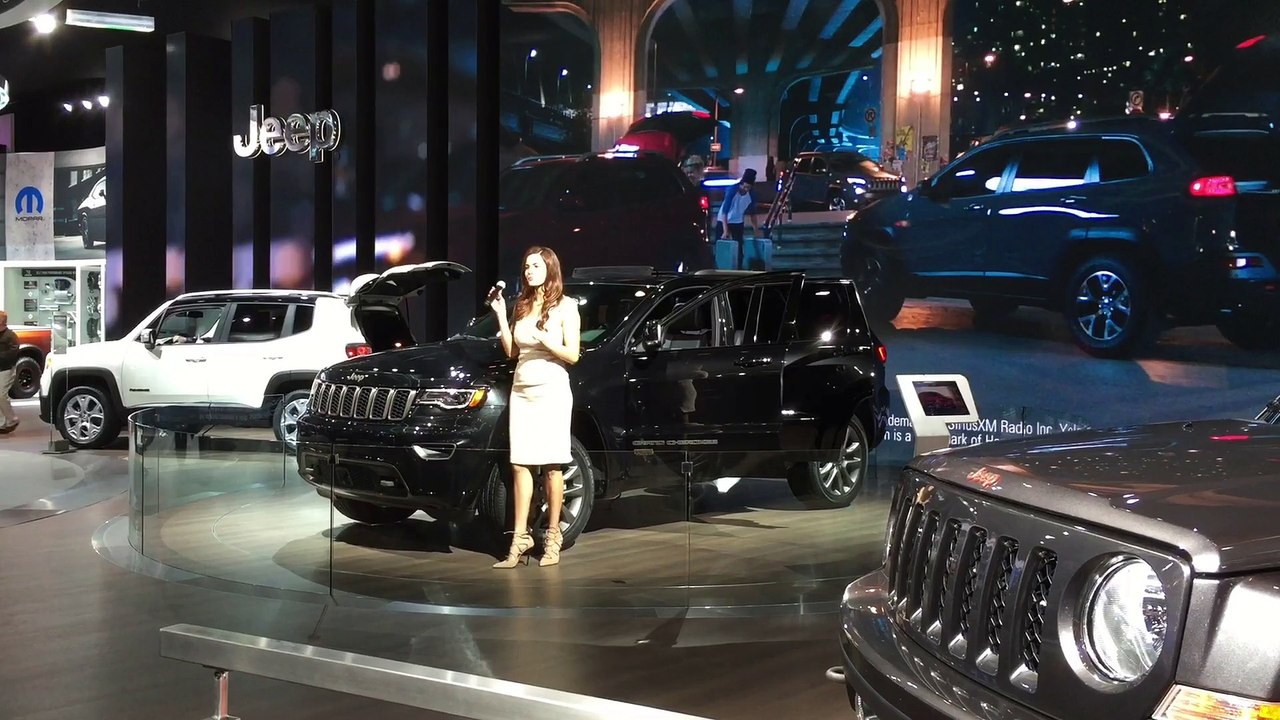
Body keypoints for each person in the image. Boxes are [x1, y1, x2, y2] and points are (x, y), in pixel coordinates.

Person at [489, 246, 581, 568]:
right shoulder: (523, 305)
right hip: (522, 389)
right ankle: (520, 537)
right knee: (520, 464)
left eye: (535, 266)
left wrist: (545, 341)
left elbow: (572, 355)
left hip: (552, 390)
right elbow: (512, 351)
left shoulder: (566, 307)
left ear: (550, 269)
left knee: (553, 466)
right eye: (526, 266)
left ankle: (552, 537)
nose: (529, 271)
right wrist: (501, 314)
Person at [717, 168, 759, 269]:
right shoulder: (732, 190)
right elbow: (725, 212)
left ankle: (738, 268)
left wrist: (756, 229)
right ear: (741, 183)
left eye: (748, 188)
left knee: (739, 248)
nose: (745, 190)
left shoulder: (751, 195)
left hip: (737, 221)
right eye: (744, 187)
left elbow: (753, 213)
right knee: (722, 246)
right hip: (723, 220)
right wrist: (725, 230)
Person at [0, 311, 19, 435]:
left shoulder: (11, 336)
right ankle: (2, 423)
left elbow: (12, 354)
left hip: (6, 369)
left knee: (1, 395)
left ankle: (12, 419)